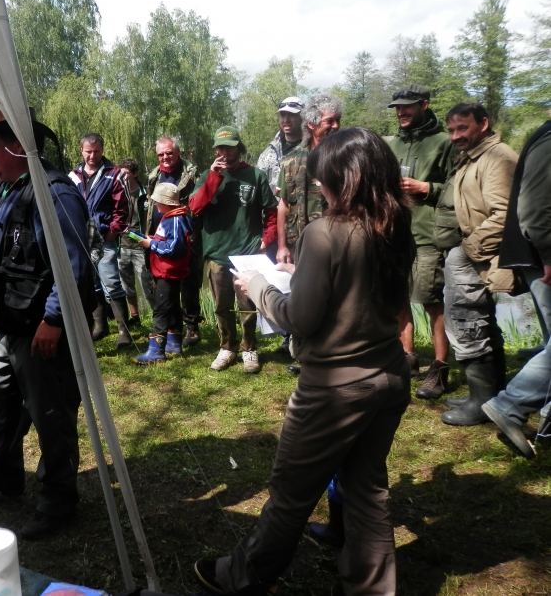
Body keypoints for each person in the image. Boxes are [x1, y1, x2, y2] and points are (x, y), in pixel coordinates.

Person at [195, 127, 415, 596]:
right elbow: (368, 292)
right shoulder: (394, 224)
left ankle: (242, 577)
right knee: (368, 490)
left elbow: (299, 318)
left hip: (336, 389)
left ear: (345, 178)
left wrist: (258, 286)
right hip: (390, 376)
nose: (317, 186)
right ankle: (371, 587)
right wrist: (301, 273)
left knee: (291, 492)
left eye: (323, 178)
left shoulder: (324, 231)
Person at [0, 107, 94, 540]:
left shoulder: (55, 193)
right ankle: (3, 472)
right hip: (8, 324)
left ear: (19, 145)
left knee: (51, 414)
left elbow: (73, 265)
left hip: (40, 329)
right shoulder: (3, 189)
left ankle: (58, 498)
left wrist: (54, 319)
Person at [440, 102, 518, 426]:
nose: (455, 136)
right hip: (479, 254)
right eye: (451, 130)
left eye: (462, 128)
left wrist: (467, 249)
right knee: (477, 319)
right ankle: (488, 395)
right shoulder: (474, 156)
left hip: (483, 253)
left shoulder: (498, 158)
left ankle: (483, 402)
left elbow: (505, 214)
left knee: (468, 320)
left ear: (483, 123)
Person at [479, 121, 551, 456]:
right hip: (544, 258)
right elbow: (534, 211)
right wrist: (548, 254)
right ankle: (510, 405)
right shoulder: (549, 139)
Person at [189, 126, 277, 373]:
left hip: (246, 254)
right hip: (217, 252)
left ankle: (249, 349)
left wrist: (267, 239)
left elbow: (271, 211)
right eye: (220, 148)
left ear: (239, 148)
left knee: (247, 305)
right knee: (221, 306)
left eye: (229, 148)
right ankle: (227, 347)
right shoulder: (207, 175)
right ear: (215, 150)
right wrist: (213, 177)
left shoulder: (255, 175)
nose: (225, 153)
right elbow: (195, 208)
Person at [386, 84, 455, 395]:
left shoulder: (444, 142)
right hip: (395, 233)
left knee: (431, 301)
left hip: (429, 235)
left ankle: (439, 369)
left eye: (407, 106)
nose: (401, 112)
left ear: (424, 105)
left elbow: (458, 187)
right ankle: (407, 358)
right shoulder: (393, 144)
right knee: (398, 299)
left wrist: (426, 187)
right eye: (397, 108)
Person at [275, 93, 343, 375]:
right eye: (330, 121)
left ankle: (333, 355)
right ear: (313, 124)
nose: (336, 126)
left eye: (338, 120)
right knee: (305, 298)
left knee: (336, 299)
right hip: (299, 243)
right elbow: (283, 205)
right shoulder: (291, 161)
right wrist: (282, 246)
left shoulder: (343, 157)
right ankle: (307, 355)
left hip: (336, 243)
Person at [69, 133, 132, 348]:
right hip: (81, 238)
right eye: (88, 151)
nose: (92, 156)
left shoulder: (115, 174)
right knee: (91, 283)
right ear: (81, 151)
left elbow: (123, 207)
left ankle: (124, 331)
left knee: (111, 283)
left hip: (105, 237)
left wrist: (113, 231)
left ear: (102, 150)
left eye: (96, 151)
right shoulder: (73, 176)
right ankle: (101, 326)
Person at [257, 97, 305, 355]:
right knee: (281, 280)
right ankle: (287, 336)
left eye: (292, 115)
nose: (286, 120)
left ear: (302, 118)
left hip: (307, 226)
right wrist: (264, 233)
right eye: (283, 115)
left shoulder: (313, 148)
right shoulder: (268, 154)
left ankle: (305, 336)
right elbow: (259, 194)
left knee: (306, 280)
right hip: (276, 229)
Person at [146, 137, 203, 347]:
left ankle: (192, 327)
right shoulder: (154, 175)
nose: (165, 157)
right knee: (163, 285)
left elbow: (201, 202)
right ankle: (172, 329)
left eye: (169, 153)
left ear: (178, 152)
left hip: (185, 236)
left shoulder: (191, 172)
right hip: (159, 234)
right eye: (161, 154)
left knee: (189, 284)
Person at [133, 183, 192, 364]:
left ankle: (156, 351)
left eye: (158, 201)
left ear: (167, 203)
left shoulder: (175, 220)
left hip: (169, 272)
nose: (156, 204)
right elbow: (169, 241)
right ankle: (173, 344)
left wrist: (151, 244)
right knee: (172, 307)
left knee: (161, 309)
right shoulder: (171, 218)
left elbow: (175, 248)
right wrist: (153, 239)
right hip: (165, 272)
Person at [117, 158, 154, 326]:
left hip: (140, 246)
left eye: (126, 174)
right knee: (127, 286)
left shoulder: (145, 194)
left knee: (147, 285)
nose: (123, 177)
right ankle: (135, 317)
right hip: (121, 245)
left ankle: (158, 319)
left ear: (135, 174)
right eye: (121, 173)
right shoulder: (116, 192)